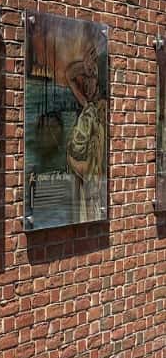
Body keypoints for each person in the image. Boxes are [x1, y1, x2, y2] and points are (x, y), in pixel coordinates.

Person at [64, 36, 107, 222]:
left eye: (92, 79)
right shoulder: (88, 106)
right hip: (86, 177)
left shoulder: (102, 108)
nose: (87, 84)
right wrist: (84, 66)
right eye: (86, 79)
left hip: (97, 181)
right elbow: (69, 76)